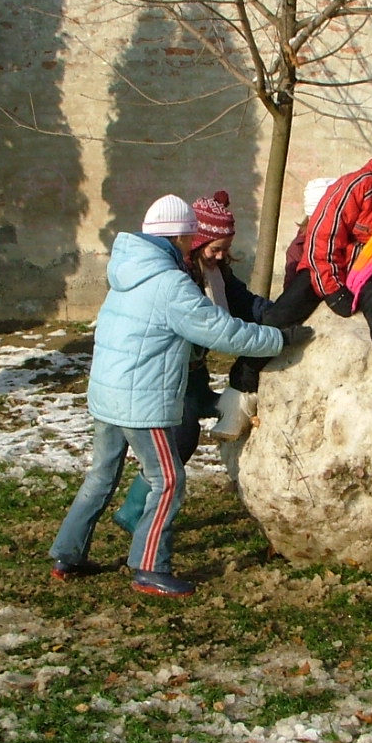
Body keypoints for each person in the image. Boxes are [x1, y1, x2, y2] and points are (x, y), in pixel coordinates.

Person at [48, 194, 312, 597]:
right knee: (168, 480)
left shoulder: (129, 269)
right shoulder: (170, 283)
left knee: (101, 476)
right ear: (181, 236)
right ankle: (150, 567)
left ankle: (67, 554)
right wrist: (280, 339)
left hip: (107, 392)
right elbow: (221, 332)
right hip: (141, 400)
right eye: (190, 236)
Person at [211, 111, 372, 440]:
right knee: (279, 317)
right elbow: (324, 236)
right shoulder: (358, 186)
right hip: (329, 268)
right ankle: (239, 395)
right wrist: (332, 288)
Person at [110, 190, 273, 535]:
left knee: (215, 416)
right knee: (182, 438)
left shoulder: (216, 271)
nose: (221, 255)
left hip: (195, 373)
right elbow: (209, 327)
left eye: (226, 249)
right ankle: (135, 512)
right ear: (197, 242)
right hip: (170, 373)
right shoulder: (179, 277)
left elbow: (245, 303)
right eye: (216, 248)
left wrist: (277, 315)